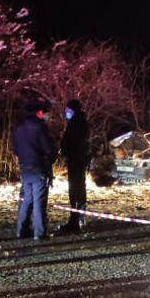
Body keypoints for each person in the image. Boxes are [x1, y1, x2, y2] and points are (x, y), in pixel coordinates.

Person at [12, 100, 56, 240]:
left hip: (25, 167)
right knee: (39, 200)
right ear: (38, 112)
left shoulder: (18, 129)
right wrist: (50, 158)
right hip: (38, 167)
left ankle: (21, 230)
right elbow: (49, 149)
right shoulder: (40, 128)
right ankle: (40, 232)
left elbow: (16, 149)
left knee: (27, 199)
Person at [58, 99, 90, 233]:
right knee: (79, 189)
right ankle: (79, 218)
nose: (66, 113)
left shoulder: (76, 124)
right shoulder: (81, 122)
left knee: (75, 190)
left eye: (68, 110)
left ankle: (75, 220)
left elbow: (70, 142)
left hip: (76, 161)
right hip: (79, 160)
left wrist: (64, 150)